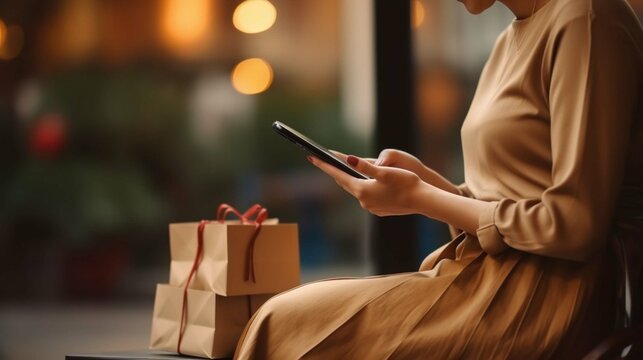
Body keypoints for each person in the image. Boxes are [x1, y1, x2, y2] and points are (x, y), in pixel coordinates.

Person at [235, 0, 643, 357]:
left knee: (283, 322)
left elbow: (575, 224)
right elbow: (504, 205)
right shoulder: (510, 38)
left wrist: (421, 197)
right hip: (486, 278)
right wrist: (426, 182)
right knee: (285, 317)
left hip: (546, 299)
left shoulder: (585, 18)